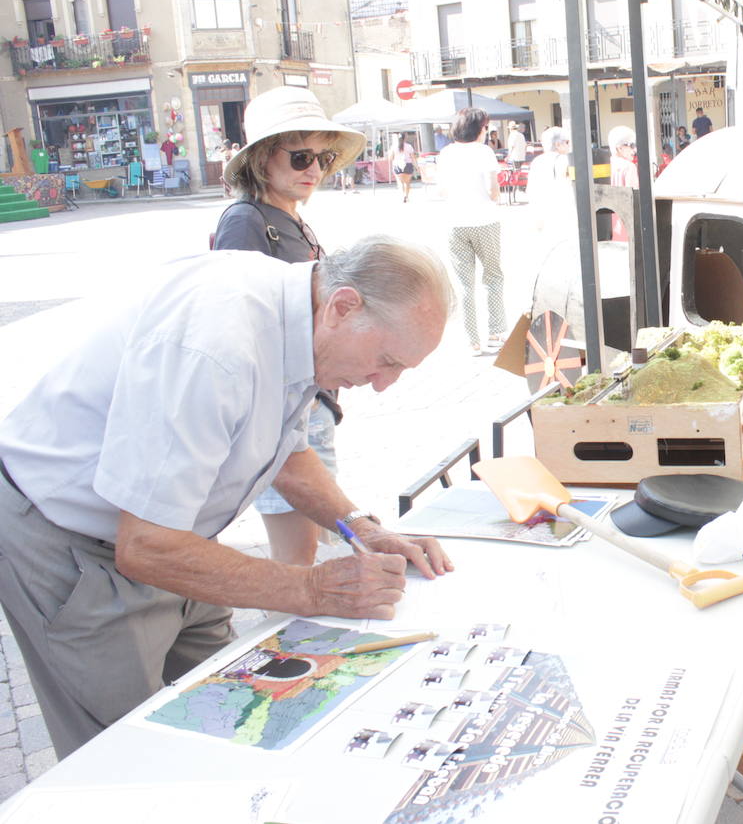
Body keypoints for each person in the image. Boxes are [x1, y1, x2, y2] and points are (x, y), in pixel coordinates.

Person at [0, 235, 456, 758]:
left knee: (234, 713)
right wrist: (313, 589)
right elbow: (147, 545)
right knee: (123, 754)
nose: (383, 385)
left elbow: (285, 452)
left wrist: (363, 528)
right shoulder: (217, 343)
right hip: (72, 543)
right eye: (387, 361)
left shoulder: (298, 317)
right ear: (342, 306)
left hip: (180, 537)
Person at [215, 85, 364, 566]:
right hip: (283, 411)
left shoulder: (290, 219)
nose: (315, 171)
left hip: (308, 404)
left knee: (311, 553)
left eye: (322, 158)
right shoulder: (247, 220)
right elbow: (231, 321)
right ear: (262, 158)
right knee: (297, 561)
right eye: (301, 158)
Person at [437, 106, 506, 354]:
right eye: (486, 127)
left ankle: (472, 341)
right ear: (479, 128)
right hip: (484, 221)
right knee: (493, 277)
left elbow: (442, 191)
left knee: (465, 285)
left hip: (455, 223)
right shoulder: (484, 152)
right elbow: (492, 189)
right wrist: (494, 198)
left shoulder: (445, 153)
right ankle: (496, 333)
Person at [389, 133, 416, 203]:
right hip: (408, 165)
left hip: (397, 165)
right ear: (405, 138)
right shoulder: (409, 146)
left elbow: (391, 158)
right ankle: (406, 196)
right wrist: (416, 166)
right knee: (407, 183)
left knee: (400, 182)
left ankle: (402, 196)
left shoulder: (394, 146)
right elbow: (413, 158)